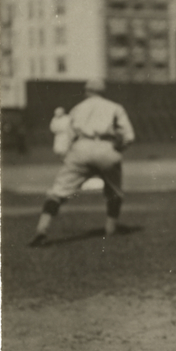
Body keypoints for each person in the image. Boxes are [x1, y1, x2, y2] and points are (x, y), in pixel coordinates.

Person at [28, 79, 135, 247]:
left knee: (57, 192)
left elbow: (69, 135)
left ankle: (42, 229)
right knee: (115, 193)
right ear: (103, 91)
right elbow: (129, 136)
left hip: (81, 147)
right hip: (106, 147)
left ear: (87, 91)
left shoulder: (78, 108)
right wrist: (119, 148)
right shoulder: (115, 107)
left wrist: (68, 154)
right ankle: (110, 230)